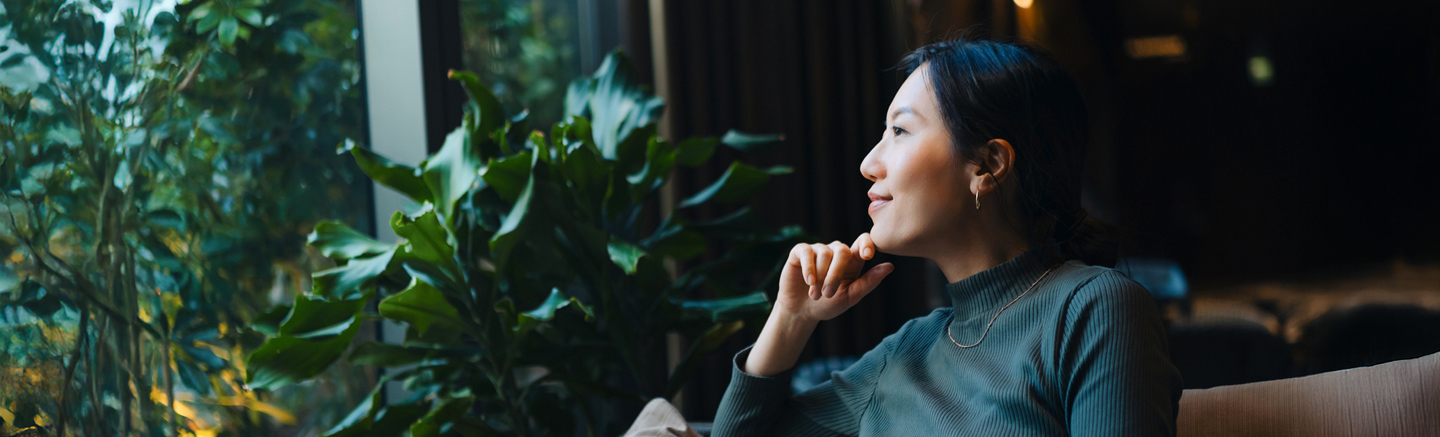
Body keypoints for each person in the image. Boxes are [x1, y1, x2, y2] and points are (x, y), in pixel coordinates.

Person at [712, 38, 1183, 436]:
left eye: (899, 130)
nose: (869, 164)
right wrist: (792, 316)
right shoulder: (904, 353)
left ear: (986, 165)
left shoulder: (1095, 310)